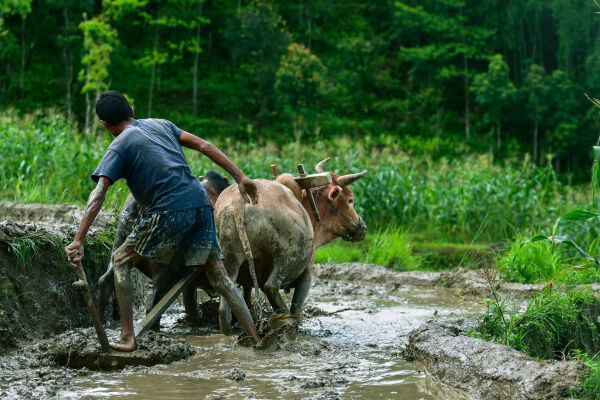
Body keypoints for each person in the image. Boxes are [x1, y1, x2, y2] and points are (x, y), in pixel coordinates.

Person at [65, 90, 260, 351]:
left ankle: (127, 337)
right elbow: (205, 146)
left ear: (105, 125)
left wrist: (79, 240)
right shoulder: (162, 124)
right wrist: (240, 177)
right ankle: (256, 339)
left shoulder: (119, 144)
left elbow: (99, 193)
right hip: (202, 206)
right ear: (132, 110)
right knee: (221, 277)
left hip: (169, 210)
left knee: (120, 260)